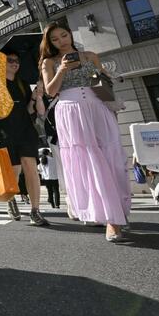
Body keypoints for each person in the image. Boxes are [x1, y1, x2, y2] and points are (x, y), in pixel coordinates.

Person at [41, 23, 131, 243]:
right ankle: (111, 221)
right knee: (90, 164)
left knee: (111, 161)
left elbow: (100, 86)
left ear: (70, 34)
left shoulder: (90, 55)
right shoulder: (49, 62)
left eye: (64, 35)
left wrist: (112, 110)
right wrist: (62, 69)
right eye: (55, 39)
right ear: (50, 43)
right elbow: (51, 91)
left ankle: (114, 212)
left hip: (97, 108)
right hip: (70, 111)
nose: (62, 41)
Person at [0, 52, 49, 226]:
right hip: (6, 130)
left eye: (17, 61)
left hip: (26, 130)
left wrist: (36, 97)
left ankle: (35, 210)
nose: (15, 63)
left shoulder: (22, 84)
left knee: (31, 167)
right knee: (14, 171)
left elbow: (30, 110)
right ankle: (11, 199)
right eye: (10, 60)